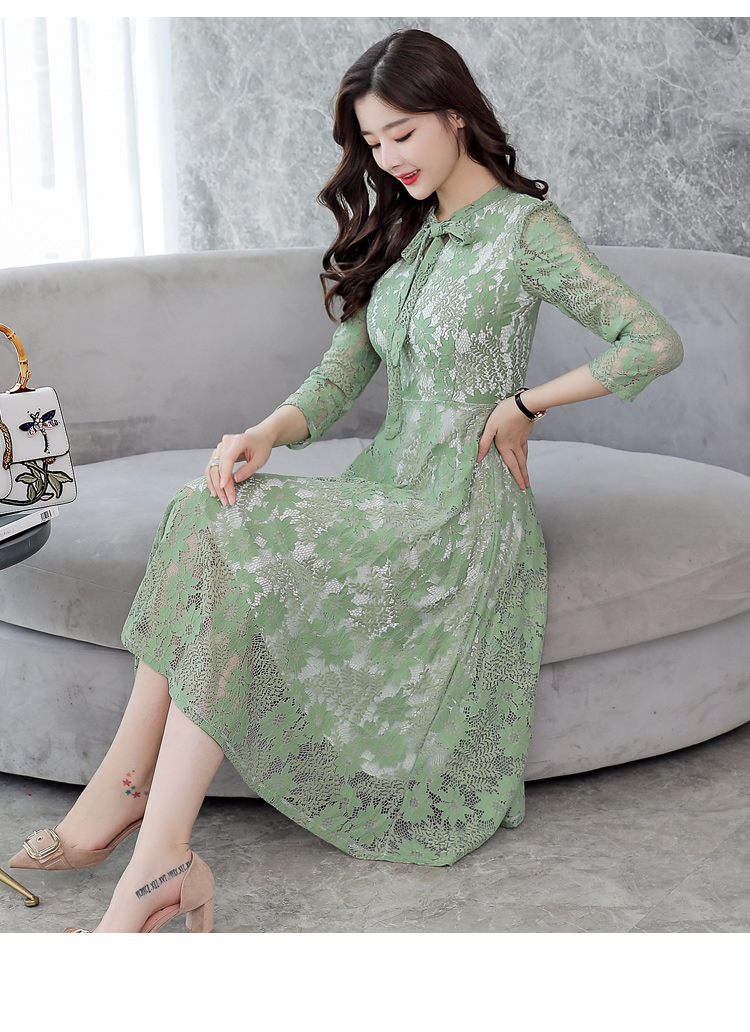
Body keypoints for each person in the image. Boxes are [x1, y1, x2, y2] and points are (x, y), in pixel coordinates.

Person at [9, 28, 683, 933]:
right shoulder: (406, 233)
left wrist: (526, 403)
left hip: (462, 509)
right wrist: (265, 433)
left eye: (404, 133)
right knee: (208, 506)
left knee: (224, 531)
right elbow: (339, 375)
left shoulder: (527, 231)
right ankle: (145, 828)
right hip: (390, 487)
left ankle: (135, 826)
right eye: (373, 142)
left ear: (455, 115)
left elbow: (653, 342)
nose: (390, 157)